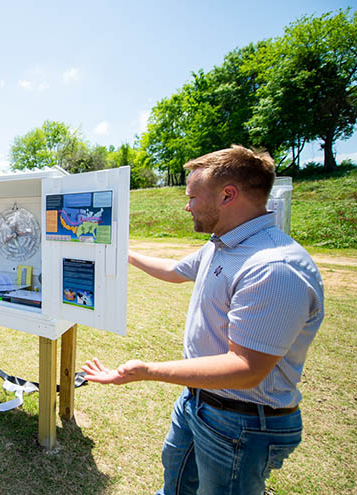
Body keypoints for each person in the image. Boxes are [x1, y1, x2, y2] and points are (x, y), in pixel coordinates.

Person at [82, 146, 324, 495]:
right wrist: (122, 253)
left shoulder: (274, 268)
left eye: (193, 196)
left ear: (228, 195)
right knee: (176, 485)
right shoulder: (222, 244)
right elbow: (174, 270)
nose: (187, 206)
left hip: (242, 422)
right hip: (200, 403)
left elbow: (246, 368)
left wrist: (146, 371)